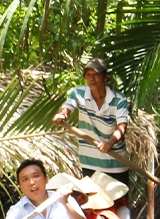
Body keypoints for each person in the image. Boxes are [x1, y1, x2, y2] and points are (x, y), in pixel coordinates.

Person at [51, 58, 130, 187]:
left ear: (105, 77)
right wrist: (61, 115)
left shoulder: (118, 99)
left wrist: (109, 143)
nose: (92, 79)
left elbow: (122, 127)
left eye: (96, 75)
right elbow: (67, 109)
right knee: (92, 204)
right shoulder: (78, 93)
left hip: (115, 162)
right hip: (89, 162)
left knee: (119, 205)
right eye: (89, 75)